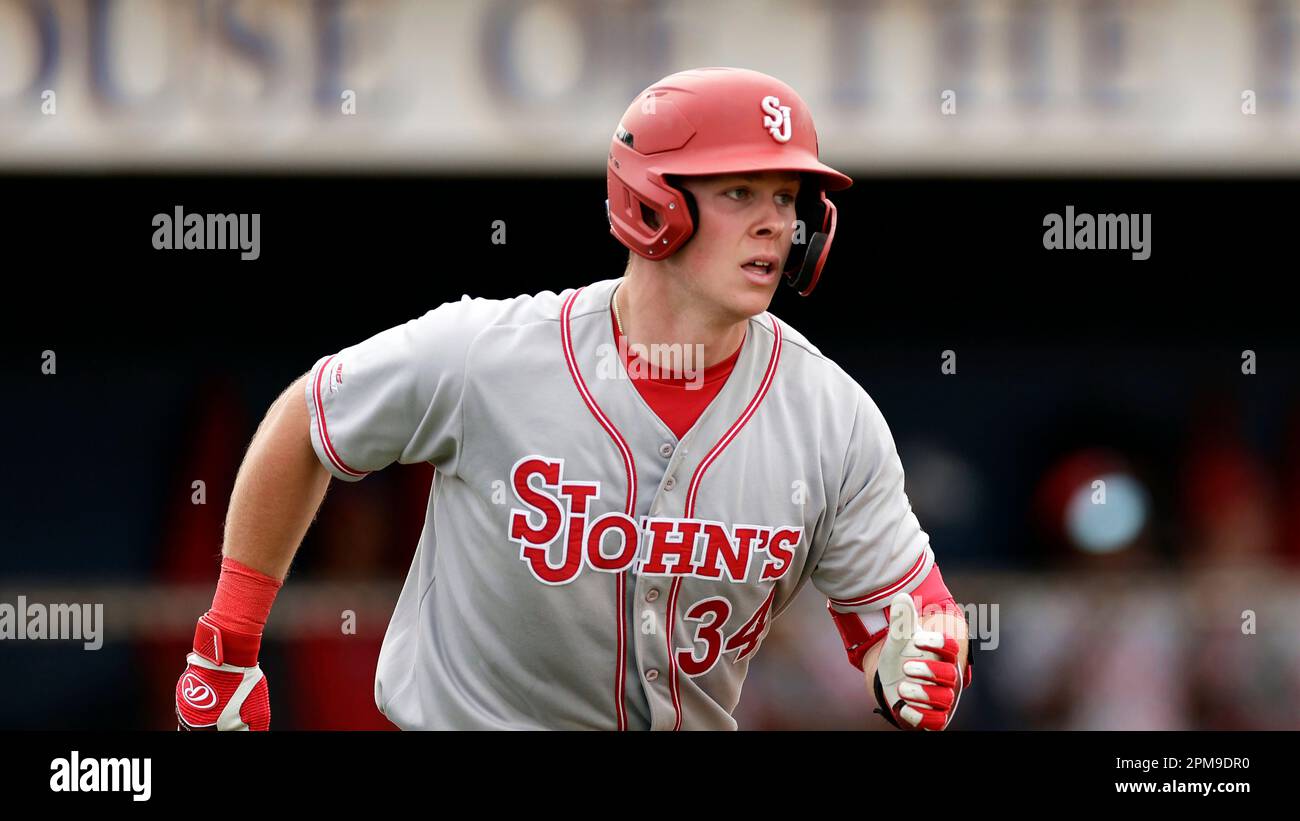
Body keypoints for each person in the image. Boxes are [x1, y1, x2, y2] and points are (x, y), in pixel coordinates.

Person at [173, 67, 972, 731]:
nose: (776, 224)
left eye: (789, 198)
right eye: (740, 192)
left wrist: (921, 663)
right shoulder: (488, 355)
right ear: (653, 202)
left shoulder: (832, 416)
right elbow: (308, 421)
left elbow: (908, 619)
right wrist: (227, 643)